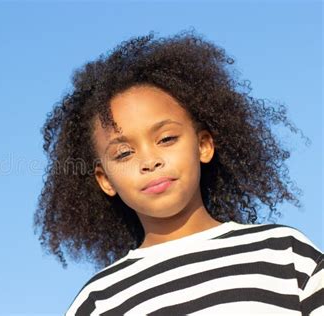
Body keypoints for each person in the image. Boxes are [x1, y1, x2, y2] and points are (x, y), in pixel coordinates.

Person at [33, 30, 323, 315]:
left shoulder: (285, 255)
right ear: (105, 180)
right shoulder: (99, 302)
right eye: (124, 153)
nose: (149, 161)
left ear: (203, 145)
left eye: (167, 139)